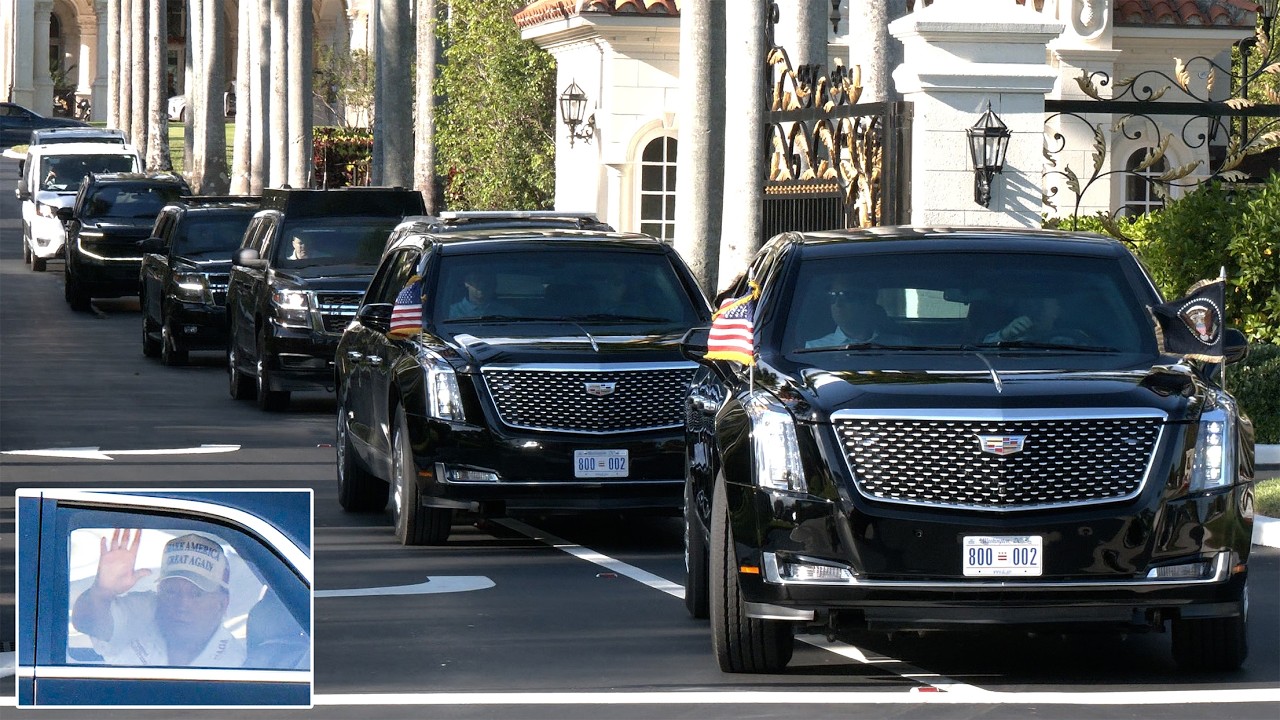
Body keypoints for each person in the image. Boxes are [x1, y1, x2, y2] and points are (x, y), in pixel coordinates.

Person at [71, 529, 245, 667]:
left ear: (221, 604)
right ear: (159, 591)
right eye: (171, 591)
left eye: (196, 594)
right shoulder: (143, 611)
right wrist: (102, 591)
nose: (182, 604)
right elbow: (87, 622)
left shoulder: (238, 664)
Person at [805, 278, 906, 348]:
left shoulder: (901, 345)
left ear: (867, 301)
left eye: (846, 296)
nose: (838, 304)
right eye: (833, 296)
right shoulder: (814, 348)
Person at [984, 296, 1086, 344]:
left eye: (1042, 305)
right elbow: (979, 353)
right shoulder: (1009, 335)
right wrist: (1004, 336)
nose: (1037, 310)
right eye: (1032, 305)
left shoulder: (1074, 337)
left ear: (1057, 311)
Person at [448, 269, 513, 318]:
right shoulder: (451, 313)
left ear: (494, 285)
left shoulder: (508, 313)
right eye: (477, 280)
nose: (482, 285)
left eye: (487, 281)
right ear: (467, 283)